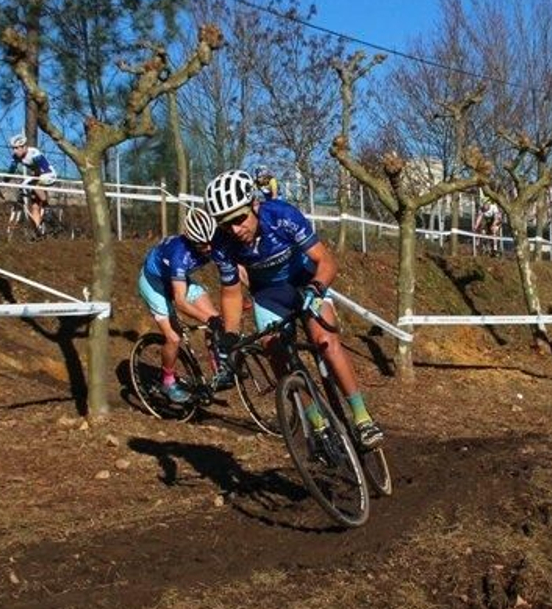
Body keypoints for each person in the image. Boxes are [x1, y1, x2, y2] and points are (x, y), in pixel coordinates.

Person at [203, 168, 385, 449]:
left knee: (325, 341)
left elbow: (326, 262)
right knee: (275, 352)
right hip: (268, 296)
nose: (235, 230)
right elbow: (230, 292)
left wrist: (316, 288)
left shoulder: (282, 216)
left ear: (254, 204)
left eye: (239, 219)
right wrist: (230, 334)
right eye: (226, 225)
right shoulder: (222, 244)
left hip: (305, 282)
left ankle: (362, 418)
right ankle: (318, 426)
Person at [137, 207, 222, 404]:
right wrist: (208, 320)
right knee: (174, 338)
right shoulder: (178, 254)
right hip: (154, 284)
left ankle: (218, 368)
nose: (209, 248)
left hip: (179, 279)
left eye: (211, 242)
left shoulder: (212, 242)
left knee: (216, 318)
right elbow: (181, 302)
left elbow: (236, 267)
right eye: (202, 244)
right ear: (191, 240)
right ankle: (167, 382)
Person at [7, 133, 57, 235]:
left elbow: (44, 169)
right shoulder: (16, 157)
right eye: (13, 148)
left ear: (24, 147)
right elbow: (11, 170)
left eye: (17, 148)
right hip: (38, 176)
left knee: (34, 186)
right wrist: (4, 181)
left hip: (49, 175)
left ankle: (47, 209)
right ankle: (37, 232)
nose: (15, 151)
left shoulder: (34, 154)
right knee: (34, 206)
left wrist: (35, 180)